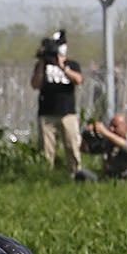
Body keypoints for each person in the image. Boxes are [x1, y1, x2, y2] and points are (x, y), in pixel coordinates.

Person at [29, 30, 83, 174]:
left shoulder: (72, 64)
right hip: (47, 113)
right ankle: (46, 175)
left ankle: (75, 174)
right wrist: (41, 62)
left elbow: (78, 80)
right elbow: (35, 84)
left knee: (72, 146)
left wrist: (62, 66)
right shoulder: (42, 65)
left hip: (68, 112)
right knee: (46, 149)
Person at [78, 111, 127, 180]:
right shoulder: (108, 142)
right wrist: (86, 135)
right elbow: (86, 150)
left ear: (125, 127)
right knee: (81, 173)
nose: (111, 129)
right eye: (110, 125)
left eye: (115, 126)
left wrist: (105, 132)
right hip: (107, 179)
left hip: (125, 181)